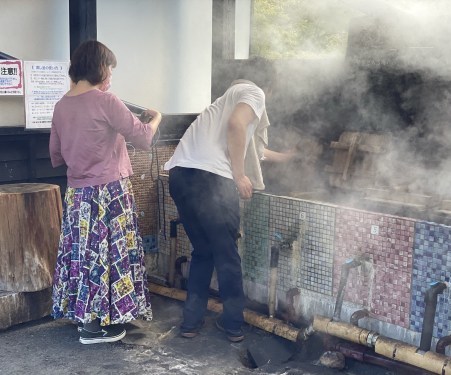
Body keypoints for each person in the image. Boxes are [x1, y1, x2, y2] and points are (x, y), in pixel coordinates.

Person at [164, 58, 294, 342]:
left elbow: (250, 147)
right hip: (212, 180)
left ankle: (191, 323)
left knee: (203, 251)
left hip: (181, 175)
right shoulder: (254, 92)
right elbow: (237, 126)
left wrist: (287, 158)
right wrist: (239, 175)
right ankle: (233, 325)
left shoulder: (221, 101)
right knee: (227, 255)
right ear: (267, 86)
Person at [49, 40, 162, 345]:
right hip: (110, 193)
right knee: (110, 256)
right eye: (110, 68)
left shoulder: (61, 105)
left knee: (84, 255)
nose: (111, 75)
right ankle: (96, 328)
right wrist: (156, 118)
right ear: (100, 68)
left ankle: (86, 319)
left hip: (78, 196)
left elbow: (56, 156)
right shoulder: (106, 101)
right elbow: (143, 139)